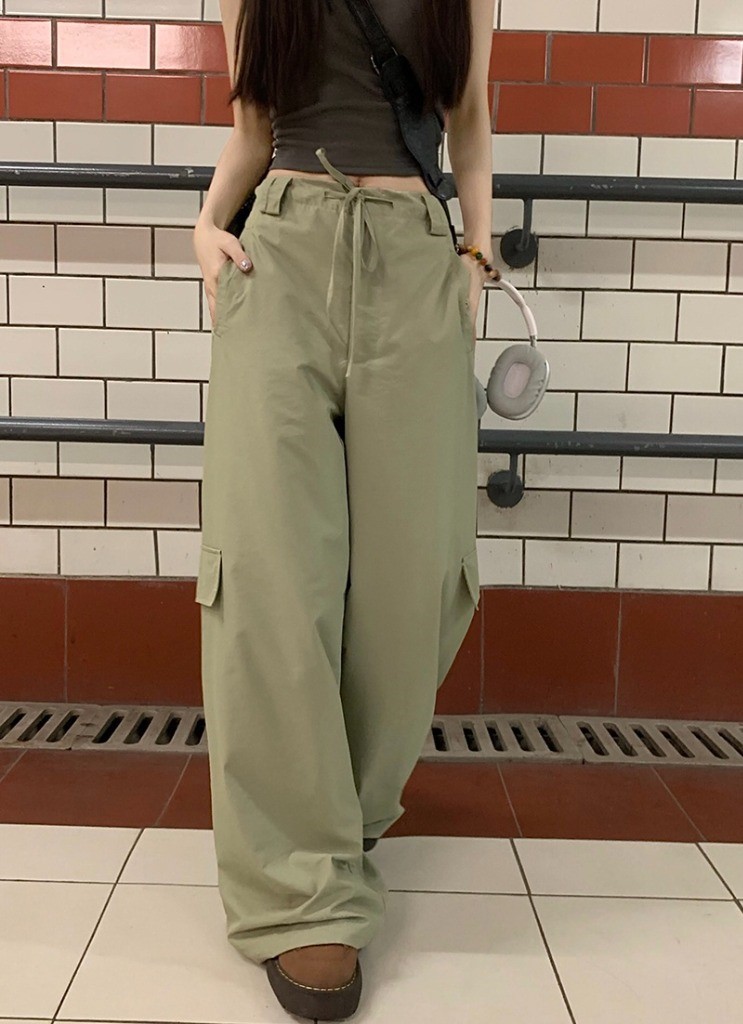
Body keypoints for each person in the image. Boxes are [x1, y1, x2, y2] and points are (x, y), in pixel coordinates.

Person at [192, 0, 494, 1018]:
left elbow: (468, 122)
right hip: (279, 256)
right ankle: (301, 888)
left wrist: (475, 251)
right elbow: (251, 128)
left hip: (414, 258)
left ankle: (341, 816)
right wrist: (203, 226)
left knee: (417, 576)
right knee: (273, 572)